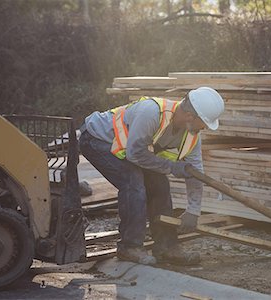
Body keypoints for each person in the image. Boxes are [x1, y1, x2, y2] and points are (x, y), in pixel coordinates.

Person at [79, 87, 225, 265]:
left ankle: (167, 246)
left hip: (129, 149)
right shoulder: (152, 113)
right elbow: (135, 154)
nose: (204, 128)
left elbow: (196, 172)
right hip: (96, 138)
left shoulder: (192, 136)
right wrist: (172, 167)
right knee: (133, 183)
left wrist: (193, 210)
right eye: (204, 123)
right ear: (190, 117)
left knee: (160, 185)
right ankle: (129, 246)